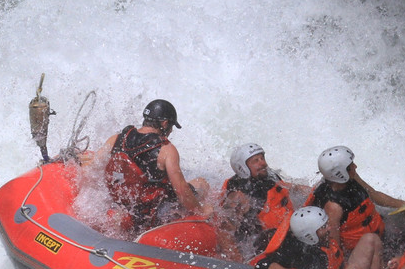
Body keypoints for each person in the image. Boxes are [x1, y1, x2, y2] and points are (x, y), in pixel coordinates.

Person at [96, 99, 210, 234]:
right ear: (165, 123)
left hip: (123, 205)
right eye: (171, 126)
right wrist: (201, 211)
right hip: (151, 214)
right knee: (201, 183)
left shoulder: (117, 139)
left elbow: (92, 166)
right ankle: (201, 228)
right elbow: (181, 191)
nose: (171, 131)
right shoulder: (166, 150)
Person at [305, 144, 405, 259]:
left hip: (380, 235)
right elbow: (334, 243)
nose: (355, 166)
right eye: (351, 165)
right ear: (340, 173)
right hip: (360, 251)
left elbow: (375, 195)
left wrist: (404, 204)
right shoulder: (333, 206)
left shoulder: (351, 177)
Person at [255, 205, 385, 269]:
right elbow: (262, 266)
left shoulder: (321, 239)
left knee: (370, 238)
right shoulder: (301, 251)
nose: (329, 228)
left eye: (326, 224)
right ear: (309, 235)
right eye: (323, 227)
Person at [216, 142, 295, 260]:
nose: (263, 163)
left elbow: (287, 187)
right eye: (256, 161)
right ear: (242, 167)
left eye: (262, 158)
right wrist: (238, 263)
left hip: (282, 230)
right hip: (259, 244)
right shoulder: (238, 194)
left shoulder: (267, 176)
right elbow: (224, 230)